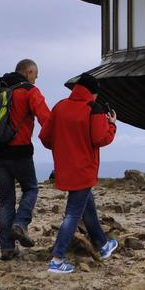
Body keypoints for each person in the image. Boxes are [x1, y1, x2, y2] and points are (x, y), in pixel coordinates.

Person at [40, 74, 118, 273]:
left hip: (64, 168)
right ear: (93, 93)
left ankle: (103, 245)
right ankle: (57, 258)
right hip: (84, 168)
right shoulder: (94, 109)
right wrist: (112, 125)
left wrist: (63, 146)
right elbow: (100, 139)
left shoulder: (60, 106)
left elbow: (46, 137)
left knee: (86, 206)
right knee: (73, 214)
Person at [0, 59, 52, 261]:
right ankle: (21, 223)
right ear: (28, 72)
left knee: (6, 200)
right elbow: (47, 119)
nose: (36, 78)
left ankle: (6, 248)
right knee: (31, 188)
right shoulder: (29, 91)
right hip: (21, 151)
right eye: (35, 74)